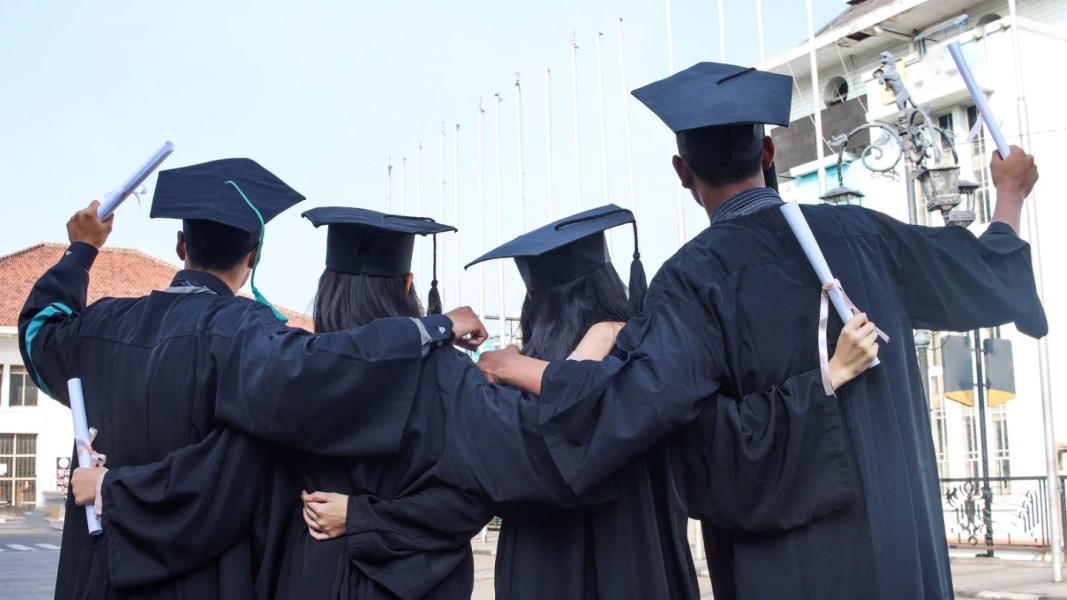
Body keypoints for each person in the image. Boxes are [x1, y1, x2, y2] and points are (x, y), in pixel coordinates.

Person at [476, 62, 1047, 600]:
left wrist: (517, 366)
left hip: (789, 567)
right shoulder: (867, 236)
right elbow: (986, 275)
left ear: (682, 173)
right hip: (901, 553)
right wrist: (1009, 194)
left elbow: (634, 405)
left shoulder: (690, 282)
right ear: (768, 151)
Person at [335, 204, 881, 600]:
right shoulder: (651, 373)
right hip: (643, 572)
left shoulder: (496, 389)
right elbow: (730, 439)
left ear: (536, 305)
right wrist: (827, 376)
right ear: (611, 286)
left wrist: (520, 366)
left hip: (538, 578)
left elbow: (494, 477)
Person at [19, 158, 486, 599]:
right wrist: (431, 328)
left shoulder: (99, 325)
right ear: (254, 253)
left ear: (181, 245)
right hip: (202, 576)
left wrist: (82, 250)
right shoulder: (246, 334)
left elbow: (39, 330)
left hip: (100, 573)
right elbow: (330, 364)